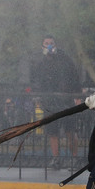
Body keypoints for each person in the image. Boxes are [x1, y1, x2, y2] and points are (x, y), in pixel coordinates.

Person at [29, 35, 82, 168]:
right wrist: (38, 96)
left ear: (55, 44)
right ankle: (56, 158)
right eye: (46, 43)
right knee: (52, 131)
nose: (49, 45)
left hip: (66, 99)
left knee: (70, 130)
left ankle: (74, 158)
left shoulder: (65, 59)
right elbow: (36, 81)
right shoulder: (40, 63)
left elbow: (74, 76)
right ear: (42, 46)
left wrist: (77, 95)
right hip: (49, 101)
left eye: (51, 43)